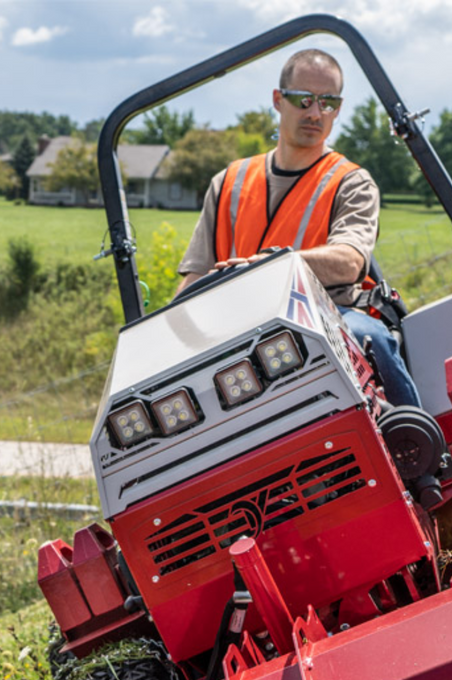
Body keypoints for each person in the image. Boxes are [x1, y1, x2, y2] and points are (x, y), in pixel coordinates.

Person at [175, 47, 423, 410]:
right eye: (303, 99)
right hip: (238, 324)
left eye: (328, 103)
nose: (315, 113)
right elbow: (195, 278)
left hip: (331, 316)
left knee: (369, 336)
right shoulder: (229, 182)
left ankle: (415, 450)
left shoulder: (351, 182)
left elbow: (349, 261)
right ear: (278, 100)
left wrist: (266, 269)